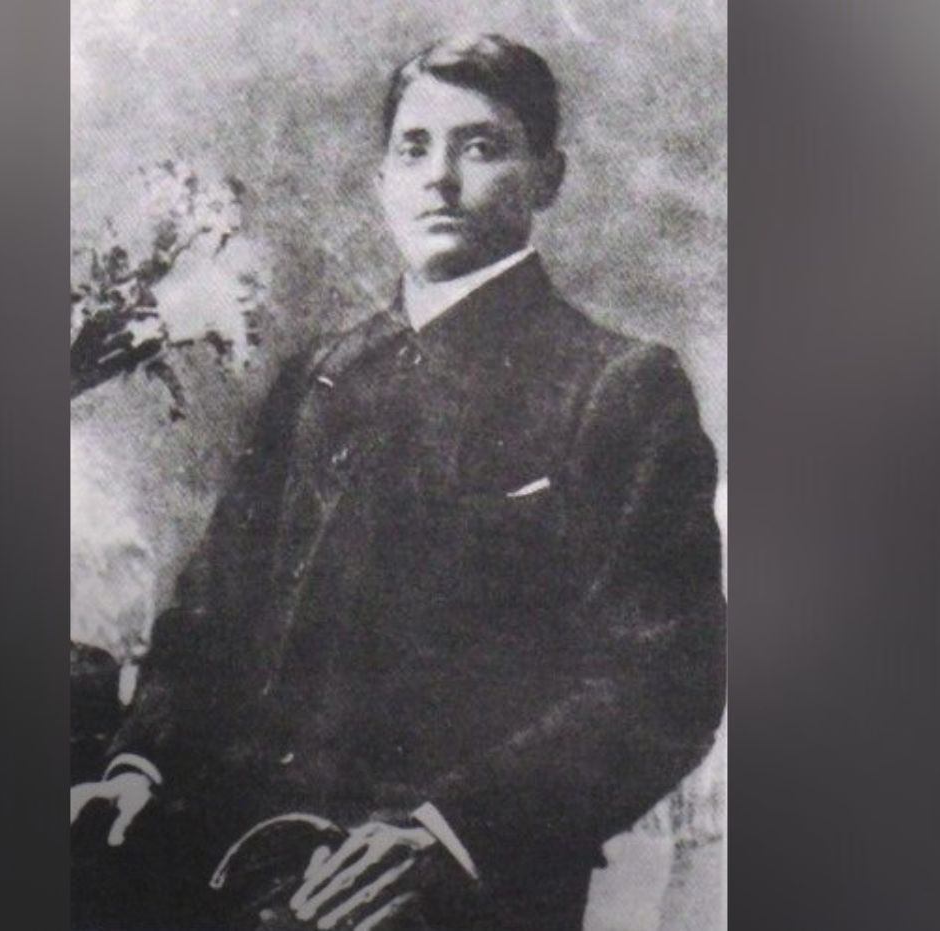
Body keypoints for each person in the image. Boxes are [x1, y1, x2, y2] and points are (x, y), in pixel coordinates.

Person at [72, 33, 725, 931]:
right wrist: (139, 765)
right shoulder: (322, 374)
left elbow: (665, 680)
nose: (440, 179)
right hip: (233, 858)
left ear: (548, 176)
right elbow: (212, 608)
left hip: (444, 893)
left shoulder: (616, 386)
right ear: (381, 181)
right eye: (414, 149)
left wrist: (448, 834)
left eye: (482, 146)